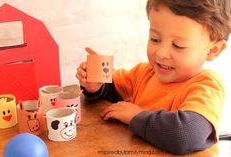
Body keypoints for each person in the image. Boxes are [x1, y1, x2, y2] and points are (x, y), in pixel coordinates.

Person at [76, 0, 231, 155]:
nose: (161, 53)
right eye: (155, 39)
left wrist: (136, 116)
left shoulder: (207, 85)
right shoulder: (144, 73)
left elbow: (187, 135)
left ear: (213, 50)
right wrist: (97, 86)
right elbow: (113, 90)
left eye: (178, 45)